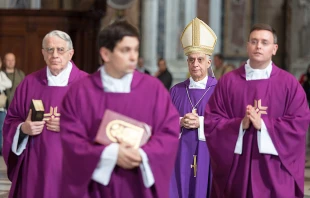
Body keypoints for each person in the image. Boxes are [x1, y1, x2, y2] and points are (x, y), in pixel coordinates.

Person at [60, 20, 180, 198]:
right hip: (95, 189)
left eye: (135, 49)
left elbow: (169, 131)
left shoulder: (153, 89)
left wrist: (143, 155)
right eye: (125, 50)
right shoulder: (81, 92)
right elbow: (71, 139)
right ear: (106, 54)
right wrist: (111, 154)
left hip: (139, 186)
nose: (133, 57)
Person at [204, 23, 310, 198]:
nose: (258, 46)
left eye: (264, 42)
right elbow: (211, 121)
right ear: (247, 46)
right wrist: (239, 125)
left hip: (275, 169)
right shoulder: (228, 82)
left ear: (274, 49)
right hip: (238, 169)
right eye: (254, 41)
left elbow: (299, 122)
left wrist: (264, 124)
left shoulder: (289, 84)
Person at [2, 30, 88, 198]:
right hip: (35, 166)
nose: (54, 55)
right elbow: (11, 121)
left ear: (71, 53)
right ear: (43, 53)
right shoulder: (29, 83)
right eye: (49, 49)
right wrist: (23, 129)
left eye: (60, 50)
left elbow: (99, 126)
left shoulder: (87, 85)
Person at [169, 17, 217, 198]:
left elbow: (229, 125)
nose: (195, 64)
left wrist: (201, 123)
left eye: (199, 60)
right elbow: (163, 122)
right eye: (191, 60)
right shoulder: (176, 91)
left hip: (209, 157)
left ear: (208, 62)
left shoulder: (220, 90)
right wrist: (180, 121)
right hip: (180, 156)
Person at [0, 57, 12, 154]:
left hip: (1, 107)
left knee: (2, 127)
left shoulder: (2, 74)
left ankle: (1, 148)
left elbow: (9, 84)